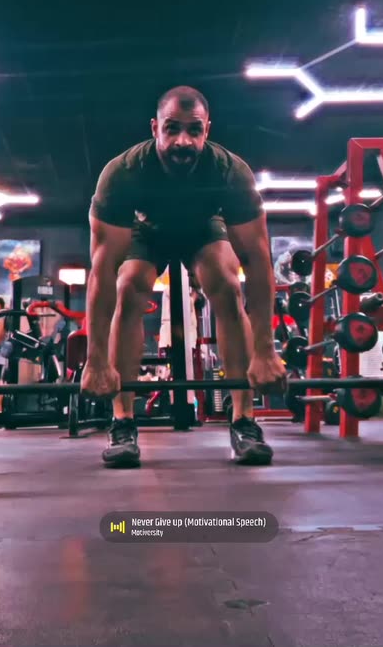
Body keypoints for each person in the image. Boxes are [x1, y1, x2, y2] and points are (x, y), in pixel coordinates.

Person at [81, 85, 285, 467]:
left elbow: (258, 262)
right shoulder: (123, 173)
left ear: (207, 129)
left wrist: (265, 351)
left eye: (194, 130)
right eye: (172, 128)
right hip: (146, 232)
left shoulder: (229, 171)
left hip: (203, 228)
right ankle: (122, 423)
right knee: (128, 286)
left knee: (227, 285)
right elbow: (102, 271)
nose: (183, 141)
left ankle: (244, 421)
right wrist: (95, 361)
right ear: (154, 127)